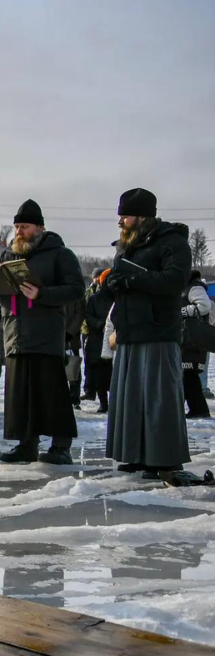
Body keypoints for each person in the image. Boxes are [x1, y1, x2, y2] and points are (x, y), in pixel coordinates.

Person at [104, 188, 204, 485]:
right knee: (131, 397)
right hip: (131, 330)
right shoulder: (127, 247)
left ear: (143, 216)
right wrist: (113, 281)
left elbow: (175, 280)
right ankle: (136, 455)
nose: (120, 221)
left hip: (159, 330)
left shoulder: (172, 242)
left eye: (126, 216)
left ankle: (164, 458)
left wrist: (134, 279)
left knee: (159, 396)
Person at [0, 200, 84, 465]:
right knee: (20, 395)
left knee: (52, 392)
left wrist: (42, 294)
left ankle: (61, 446)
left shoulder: (60, 254)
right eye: (16, 226)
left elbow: (75, 289)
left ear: (39, 227)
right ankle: (26, 444)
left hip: (46, 333)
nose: (19, 231)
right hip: (15, 333)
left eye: (24, 226)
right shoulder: (7, 256)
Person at [179, 270, 212, 418]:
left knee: (188, 375)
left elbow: (204, 306)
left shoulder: (194, 287)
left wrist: (182, 311)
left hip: (192, 340)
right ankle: (197, 409)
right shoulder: (185, 288)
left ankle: (199, 409)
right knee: (187, 376)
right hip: (187, 339)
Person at [83, 269, 114, 413]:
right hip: (97, 340)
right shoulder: (94, 299)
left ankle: (114, 403)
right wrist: (101, 324)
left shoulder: (118, 298)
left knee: (113, 375)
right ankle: (103, 403)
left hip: (115, 339)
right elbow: (88, 317)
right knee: (100, 375)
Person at [64, 292, 86, 407]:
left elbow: (80, 313)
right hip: (54, 336)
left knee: (73, 367)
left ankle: (74, 397)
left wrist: (70, 332)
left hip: (71, 338)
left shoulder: (75, 291)